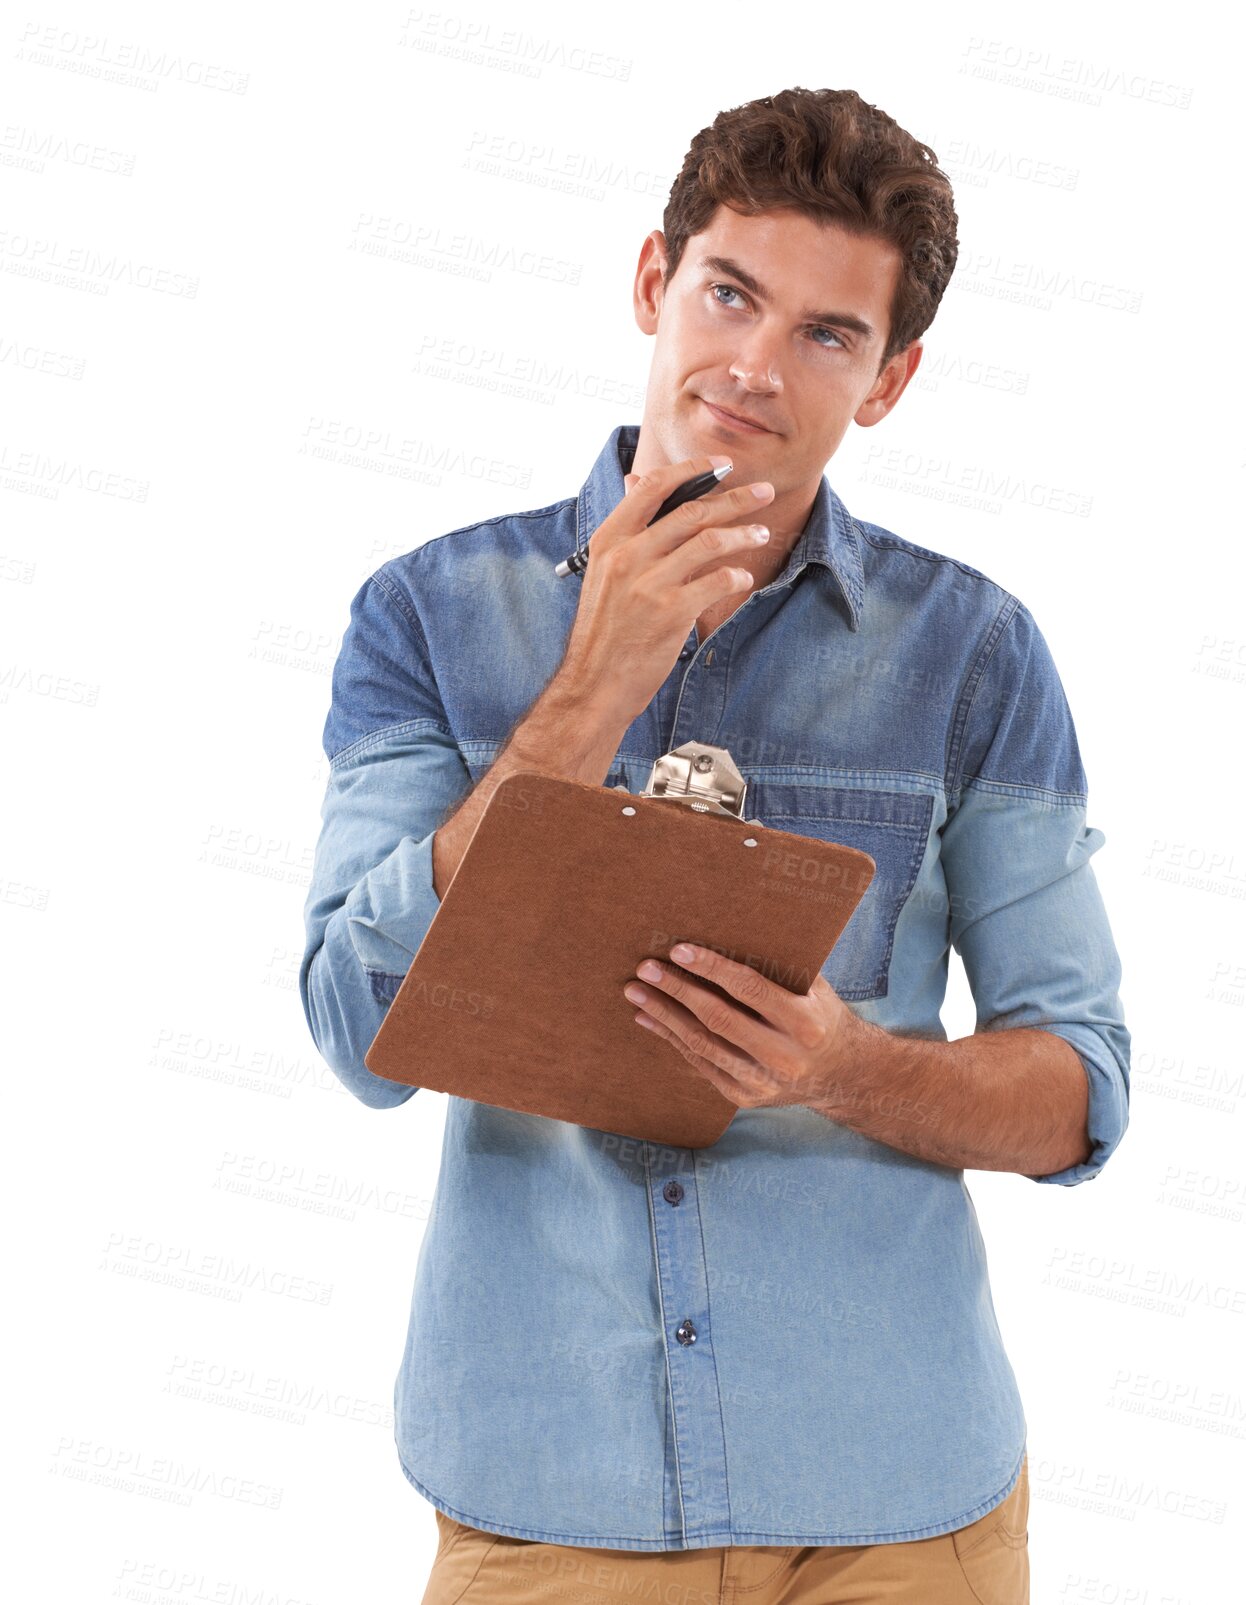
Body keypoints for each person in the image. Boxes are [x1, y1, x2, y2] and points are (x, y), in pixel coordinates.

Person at [299, 86, 1130, 1604]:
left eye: (827, 334)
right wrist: (590, 685)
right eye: (729, 295)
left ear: (887, 381)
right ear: (650, 282)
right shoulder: (425, 615)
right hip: (551, 1493)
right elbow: (358, 1033)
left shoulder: (976, 652)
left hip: (900, 1504)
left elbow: (1077, 1093)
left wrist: (842, 1066)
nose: (754, 367)